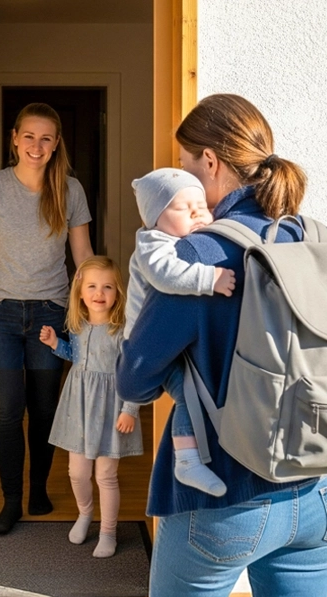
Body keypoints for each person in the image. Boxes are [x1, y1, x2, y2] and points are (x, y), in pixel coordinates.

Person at [116, 93, 327, 596]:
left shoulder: (201, 253)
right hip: (313, 490)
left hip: (223, 498)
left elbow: (134, 379)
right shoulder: (310, 237)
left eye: (187, 164)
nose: (187, 176)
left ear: (209, 161)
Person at [0, 102, 94, 535]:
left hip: (51, 313)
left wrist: (93, 314)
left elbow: (83, 256)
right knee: (7, 412)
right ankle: (11, 501)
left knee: (46, 409)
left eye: (46, 138)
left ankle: (38, 488)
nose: (36, 145)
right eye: (29, 136)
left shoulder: (70, 190)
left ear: (56, 145)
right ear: (14, 139)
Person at [127, 167, 235, 497]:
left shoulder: (185, 236)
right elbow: (165, 276)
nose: (197, 213)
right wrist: (210, 279)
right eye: (182, 208)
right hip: (143, 341)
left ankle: (190, 456)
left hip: (170, 341)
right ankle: (186, 460)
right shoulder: (151, 242)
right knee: (188, 392)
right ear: (155, 218)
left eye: (201, 205)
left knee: (195, 390)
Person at [39, 255, 142, 558]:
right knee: (77, 473)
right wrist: (56, 345)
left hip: (112, 407)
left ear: (117, 293)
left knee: (105, 476)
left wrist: (130, 410)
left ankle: (108, 531)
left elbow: (135, 373)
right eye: (93, 286)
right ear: (81, 292)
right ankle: (85, 514)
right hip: (79, 407)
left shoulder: (122, 330)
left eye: (107, 287)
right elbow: (78, 356)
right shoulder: (77, 325)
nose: (100, 293)